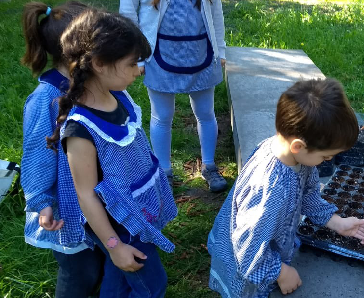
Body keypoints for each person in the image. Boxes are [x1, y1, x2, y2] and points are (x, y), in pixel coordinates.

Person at [45, 9, 178, 297]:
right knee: (152, 285)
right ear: (100, 64)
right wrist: (114, 247)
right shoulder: (81, 130)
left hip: (139, 209)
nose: (138, 71)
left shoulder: (119, 97)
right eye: (132, 64)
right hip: (121, 224)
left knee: (118, 283)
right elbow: (86, 194)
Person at [207, 78, 364, 297]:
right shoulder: (271, 189)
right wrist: (280, 272)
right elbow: (247, 251)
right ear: (298, 146)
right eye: (326, 156)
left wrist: (337, 223)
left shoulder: (294, 157)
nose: (327, 161)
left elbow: (307, 195)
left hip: (264, 247)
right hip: (245, 271)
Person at [20, 2, 105, 297]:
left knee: (102, 265)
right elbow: (37, 155)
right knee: (80, 272)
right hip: (66, 208)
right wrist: (42, 200)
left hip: (99, 198)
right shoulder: (46, 99)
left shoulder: (95, 84)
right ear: (79, 51)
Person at [119, 0, 228, 192]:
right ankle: (164, 171)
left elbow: (216, 10)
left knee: (205, 112)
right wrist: (136, 54)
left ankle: (209, 166)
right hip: (158, 54)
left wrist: (221, 48)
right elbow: (128, 12)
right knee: (162, 116)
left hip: (201, 52)